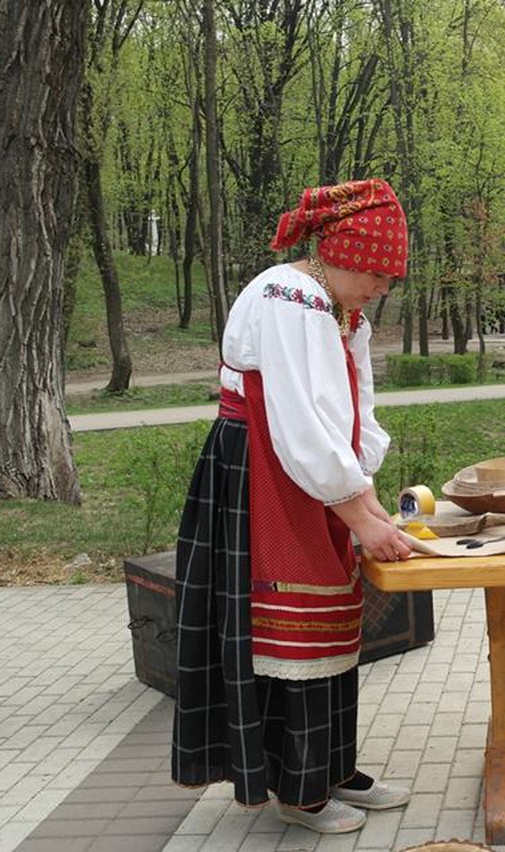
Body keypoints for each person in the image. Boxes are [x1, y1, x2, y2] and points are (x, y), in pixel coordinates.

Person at [171, 179, 414, 835]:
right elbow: (302, 423)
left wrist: (361, 488)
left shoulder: (338, 309)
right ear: (338, 252)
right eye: (377, 273)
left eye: (390, 278)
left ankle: (331, 768)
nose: (382, 288)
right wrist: (359, 511)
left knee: (333, 619)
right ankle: (297, 790)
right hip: (268, 473)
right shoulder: (289, 297)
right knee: (293, 627)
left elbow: (349, 409)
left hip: (310, 476)